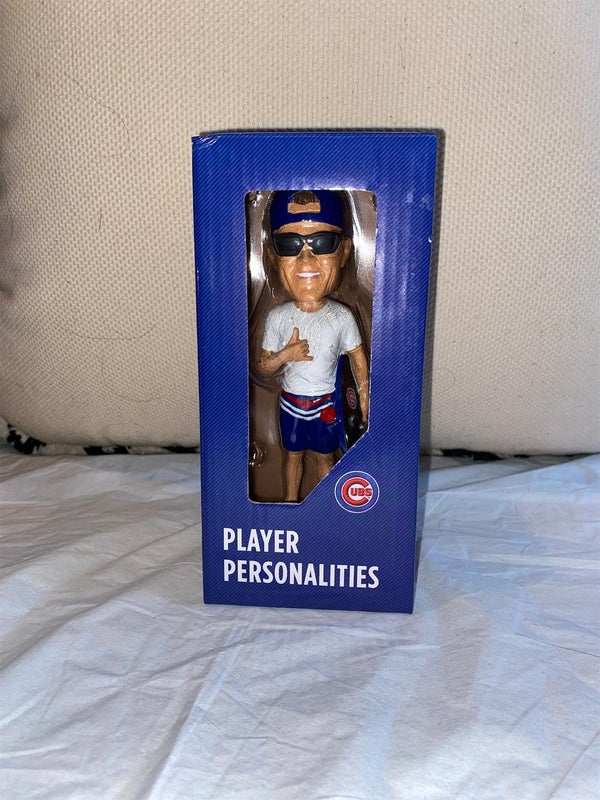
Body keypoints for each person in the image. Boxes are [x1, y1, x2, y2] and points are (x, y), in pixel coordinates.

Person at [257, 190, 369, 502]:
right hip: (291, 403)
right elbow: (263, 366)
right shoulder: (279, 317)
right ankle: (290, 504)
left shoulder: (341, 317)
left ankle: (329, 506)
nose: (306, 259)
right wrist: (286, 355)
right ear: (273, 256)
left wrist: (363, 396)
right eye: (289, 245)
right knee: (292, 457)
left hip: (326, 404)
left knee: (325, 457)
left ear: (344, 252)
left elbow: (358, 358)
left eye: (322, 243)